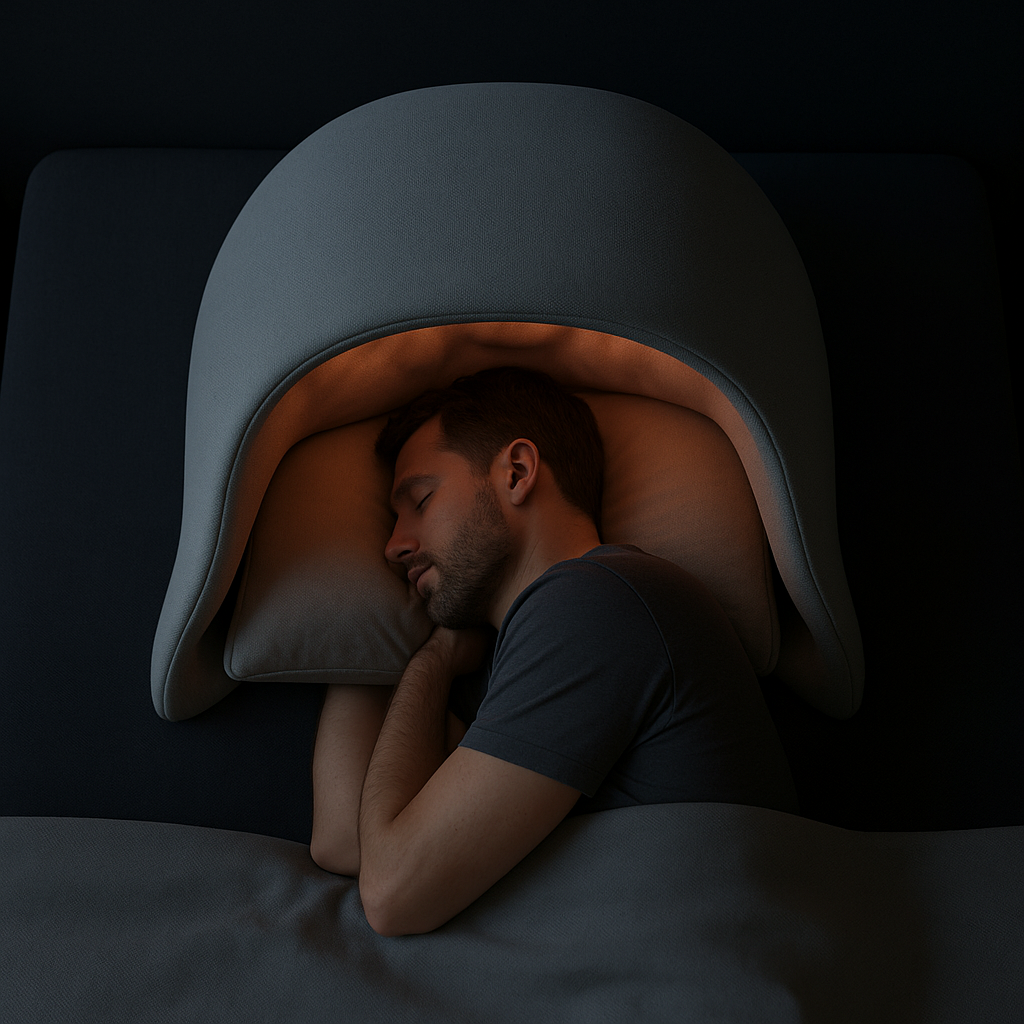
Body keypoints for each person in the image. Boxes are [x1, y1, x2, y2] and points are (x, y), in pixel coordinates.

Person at [310, 366, 798, 936]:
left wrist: (432, 660)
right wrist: (363, 617)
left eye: (420, 500)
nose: (393, 545)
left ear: (516, 472)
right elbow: (345, 837)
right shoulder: (509, 658)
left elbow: (392, 891)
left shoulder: (599, 601)